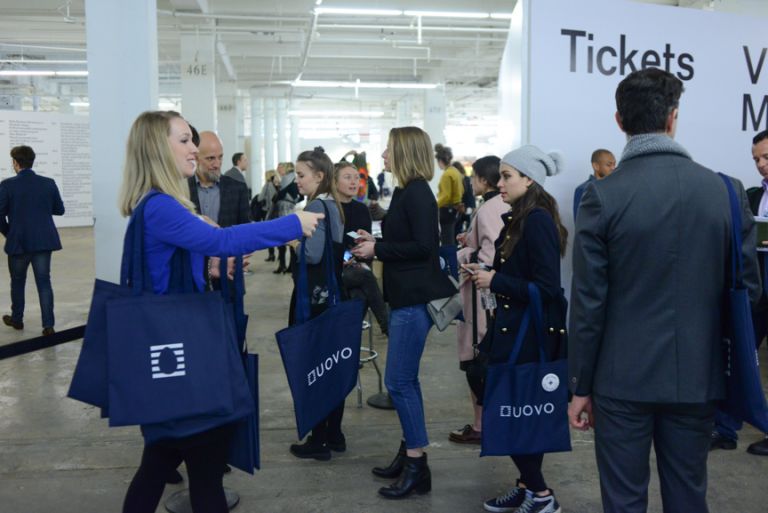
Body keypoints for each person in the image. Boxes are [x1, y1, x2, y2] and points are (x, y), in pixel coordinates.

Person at [568, 68, 762, 513]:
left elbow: (588, 303)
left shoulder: (602, 196)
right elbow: (748, 292)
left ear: (619, 121)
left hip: (621, 379)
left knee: (624, 499)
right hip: (698, 374)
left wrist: (580, 385)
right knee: (689, 494)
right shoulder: (726, 192)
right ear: (674, 118)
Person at [117, 110, 321, 513]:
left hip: (170, 359)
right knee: (201, 468)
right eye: (183, 140)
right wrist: (291, 224)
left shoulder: (156, 205)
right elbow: (225, 239)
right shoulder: (161, 207)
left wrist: (209, 265)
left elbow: (174, 262)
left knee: (161, 462)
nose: (193, 148)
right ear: (159, 148)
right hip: (180, 361)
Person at [352, 126, 456, 499]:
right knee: (404, 381)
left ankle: (417, 463)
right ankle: (409, 451)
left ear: (404, 153)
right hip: (406, 297)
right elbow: (407, 239)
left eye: (388, 150)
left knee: (398, 382)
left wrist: (376, 251)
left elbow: (424, 248)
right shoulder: (406, 191)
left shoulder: (417, 194)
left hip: (415, 301)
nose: (382, 156)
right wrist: (375, 241)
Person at [466, 146, 567, 513]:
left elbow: (548, 289)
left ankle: (542, 495)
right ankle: (527, 486)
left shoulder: (536, 220)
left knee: (512, 413)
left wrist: (495, 281)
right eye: (501, 176)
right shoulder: (519, 217)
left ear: (529, 179)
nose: (500, 182)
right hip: (512, 331)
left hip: (527, 337)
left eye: (508, 176)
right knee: (517, 412)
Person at [287, 147, 348, 461]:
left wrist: (293, 240)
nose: (296, 180)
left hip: (313, 301)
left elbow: (312, 255)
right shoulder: (334, 204)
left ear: (320, 176)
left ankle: (318, 439)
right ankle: (334, 434)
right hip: (331, 298)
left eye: (301, 175)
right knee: (331, 365)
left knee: (313, 368)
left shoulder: (313, 207)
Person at [711, 128, 768, 456]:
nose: (760, 164)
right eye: (756, 159)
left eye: (766, 157)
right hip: (753, 294)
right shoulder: (751, 196)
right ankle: (725, 429)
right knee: (735, 359)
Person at [449, 155, 507, 445]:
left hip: (482, 298)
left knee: (477, 358)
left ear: (484, 180)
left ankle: (482, 425)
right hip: (500, 297)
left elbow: (490, 256)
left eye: (474, 178)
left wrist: (463, 255)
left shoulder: (488, 209)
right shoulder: (510, 206)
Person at [0, 145, 65, 336]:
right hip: (44, 242)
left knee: (18, 282)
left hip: (19, 243)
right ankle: (48, 326)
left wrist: (9, 233)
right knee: (44, 282)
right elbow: (59, 210)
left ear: (15, 163)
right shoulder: (48, 183)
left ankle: (17, 319)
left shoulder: (7, 185)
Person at [335, 161, 388, 335]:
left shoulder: (362, 209)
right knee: (365, 278)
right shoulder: (329, 209)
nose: (354, 182)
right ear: (334, 182)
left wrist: (356, 254)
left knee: (360, 296)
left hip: (358, 267)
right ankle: (387, 325)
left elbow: (363, 245)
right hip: (335, 270)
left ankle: (347, 353)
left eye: (357, 178)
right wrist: (344, 257)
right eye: (348, 177)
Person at [435, 144, 465, 249]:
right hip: (455, 209)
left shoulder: (447, 174)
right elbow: (461, 190)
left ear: (440, 160)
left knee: (446, 240)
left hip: (446, 209)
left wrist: (434, 205)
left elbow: (445, 196)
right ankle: (452, 262)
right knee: (451, 239)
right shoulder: (455, 171)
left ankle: (448, 263)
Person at [274, 162, 302, 274]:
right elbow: (299, 196)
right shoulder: (293, 178)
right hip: (290, 208)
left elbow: (280, 194)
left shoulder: (286, 178)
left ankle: (283, 265)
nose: (278, 169)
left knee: (283, 237)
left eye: (280, 167)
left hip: (284, 209)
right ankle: (290, 265)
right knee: (290, 238)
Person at [572, 149, 615, 218]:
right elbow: (579, 220)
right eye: (609, 165)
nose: (613, 168)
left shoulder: (615, 188)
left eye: (614, 164)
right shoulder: (583, 189)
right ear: (595, 166)